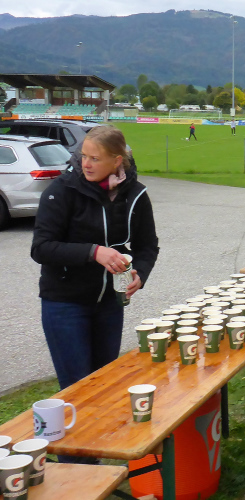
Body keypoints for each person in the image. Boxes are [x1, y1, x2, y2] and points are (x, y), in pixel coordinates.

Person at [31, 125, 159, 461]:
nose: (86, 163)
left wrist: (140, 274)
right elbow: (41, 247)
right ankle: (76, 472)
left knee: (104, 387)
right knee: (77, 391)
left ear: (117, 160)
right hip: (64, 304)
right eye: (83, 156)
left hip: (108, 305)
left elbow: (148, 246)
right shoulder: (61, 191)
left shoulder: (135, 194)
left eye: (95, 158)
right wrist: (93, 252)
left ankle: (97, 466)